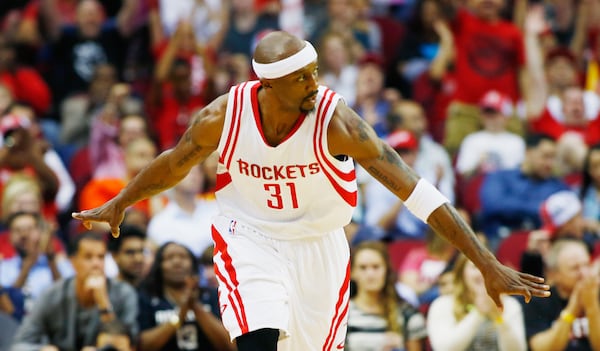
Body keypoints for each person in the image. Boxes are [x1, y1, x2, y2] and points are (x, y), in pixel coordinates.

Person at [72, 31, 550, 351]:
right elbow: (173, 164)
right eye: (301, 77)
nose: (314, 83)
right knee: (257, 339)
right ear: (267, 84)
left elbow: (416, 191)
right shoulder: (224, 117)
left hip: (320, 246)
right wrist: (121, 203)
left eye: (315, 71)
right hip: (249, 237)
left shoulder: (336, 121)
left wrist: (485, 262)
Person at [10, 231, 139, 351]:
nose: (96, 264)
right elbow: (20, 344)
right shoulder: (52, 294)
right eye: (88, 257)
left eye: (101, 257)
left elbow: (130, 344)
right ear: (72, 261)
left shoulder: (124, 293)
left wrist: (104, 303)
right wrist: (42, 350)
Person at [427, 254, 528, 351]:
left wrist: (498, 317)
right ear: (462, 273)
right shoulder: (443, 305)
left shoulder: (509, 305)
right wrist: (478, 313)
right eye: (475, 267)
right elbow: (444, 349)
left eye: (489, 267)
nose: (482, 273)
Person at [346, 240, 427, 351]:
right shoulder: (343, 314)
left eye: (376, 267)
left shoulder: (408, 314)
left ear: (387, 270)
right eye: (363, 268)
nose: (370, 274)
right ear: (352, 273)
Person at [522, 238, 600, 351]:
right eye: (575, 268)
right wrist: (572, 309)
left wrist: (592, 306)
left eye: (587, 265)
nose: (584, 273)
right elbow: (541, 348)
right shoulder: (538, 300)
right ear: (554, 274)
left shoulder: (597, 294)